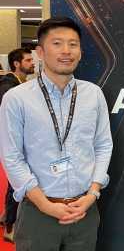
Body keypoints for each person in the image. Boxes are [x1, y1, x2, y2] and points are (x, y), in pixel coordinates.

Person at [0, 17, 113, 251]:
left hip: (85, 211)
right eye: (57, 43)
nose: (66, 51)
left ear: (80, 52)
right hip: (38, 213)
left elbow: (103, 145)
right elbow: (11, 156)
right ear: (40, 52)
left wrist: (92, 194)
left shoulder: (93, 94)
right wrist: (45, 205)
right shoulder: (17, 98)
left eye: (73, 44)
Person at [0, 48, 35, 242]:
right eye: (29, 60)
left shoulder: (21, 82)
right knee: (16, 182)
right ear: (16, 64)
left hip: (20, 138)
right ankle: (9, 227)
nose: (33, 63)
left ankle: (6, 216)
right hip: (13, 140)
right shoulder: (8, 85)